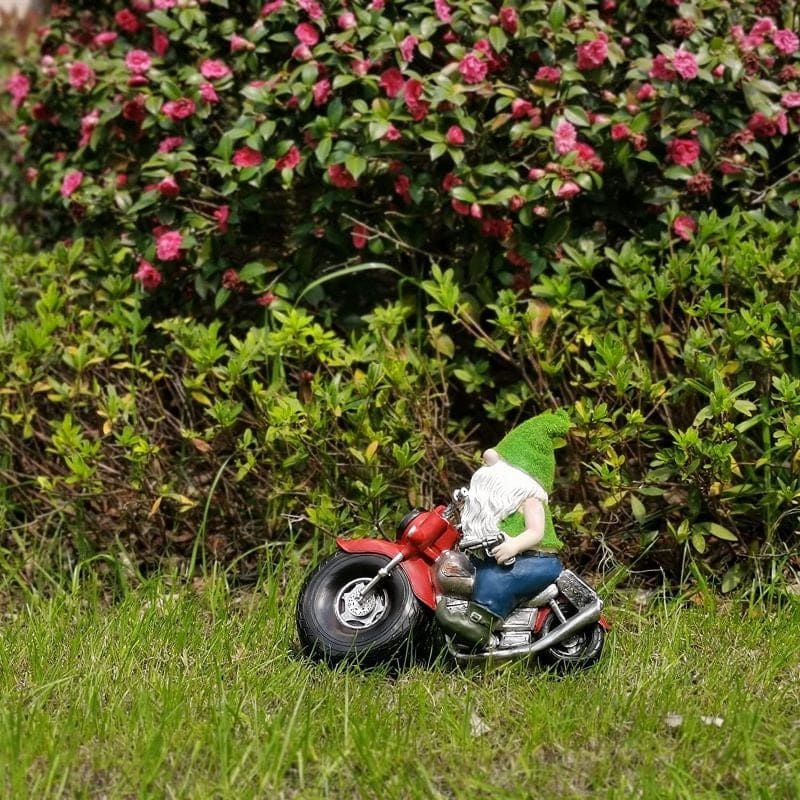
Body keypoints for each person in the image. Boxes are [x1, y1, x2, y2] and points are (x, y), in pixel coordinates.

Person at [436, 409, 571, 647]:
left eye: (498, 465)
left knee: (496, 579)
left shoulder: (530, 499)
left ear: (516, 475)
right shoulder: (501, 502)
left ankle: (480, 625)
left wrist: (513, 545)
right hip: (504, 556)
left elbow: (536, 532)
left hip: (535, 560)